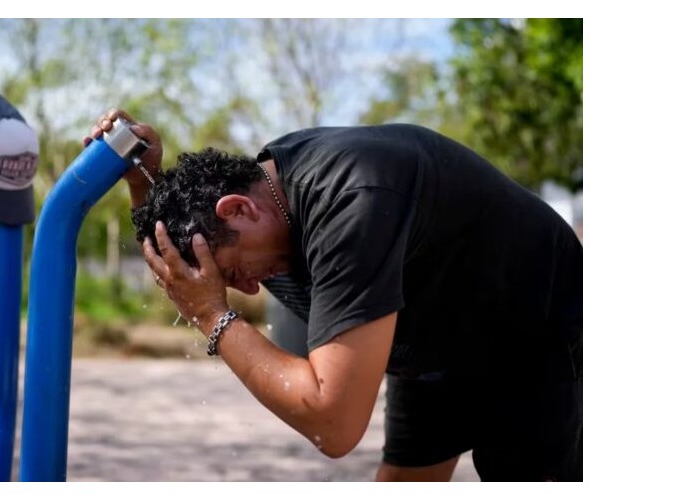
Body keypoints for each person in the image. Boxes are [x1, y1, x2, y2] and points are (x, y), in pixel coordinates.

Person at [84, 109, 582, 481]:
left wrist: (214, 316)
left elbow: (333, 423)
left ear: (238, 209)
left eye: (236, 272)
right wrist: (142, 182)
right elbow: (183, 265)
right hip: (434, 336)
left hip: (536, 333)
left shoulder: (349, 202)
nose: (253, 288)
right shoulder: (261, 210)